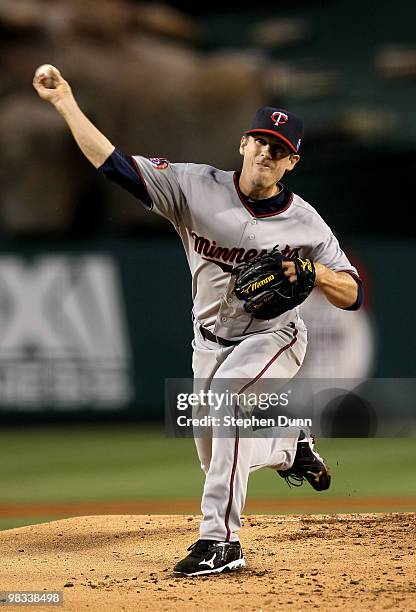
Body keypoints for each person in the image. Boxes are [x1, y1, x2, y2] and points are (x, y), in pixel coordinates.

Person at [33, 67, 362, 577]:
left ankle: (220, 542)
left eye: (278, 149)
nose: (265, 155)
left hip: (274, 336)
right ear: (242, 143)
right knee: (217, 461)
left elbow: (352, 293)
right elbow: (114, 165)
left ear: (291, 162)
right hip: (207, 341)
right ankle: (286, 447)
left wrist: (312, 271)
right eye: (259, 142)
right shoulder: (193, 186)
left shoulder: (307, 222)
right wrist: (65, 104)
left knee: (229, 397)